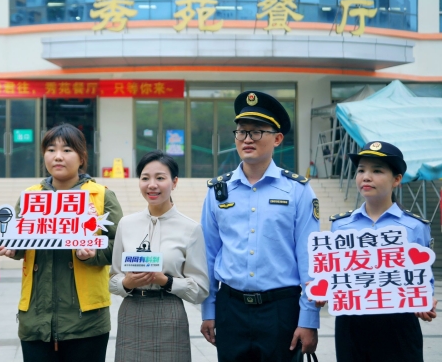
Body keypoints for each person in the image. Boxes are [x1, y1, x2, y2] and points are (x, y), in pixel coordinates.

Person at [200, 91, 320, 361]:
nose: (247, 139)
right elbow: (208, 254)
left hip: (281, 309)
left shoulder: (298, 190)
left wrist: (309, 318)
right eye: (241, 132)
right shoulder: (218, 191)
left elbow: (310, 259)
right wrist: (209, 310)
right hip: (231, 309)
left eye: (256, 132)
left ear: (277, 138)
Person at [0, 123, 123, 362]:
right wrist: (11, 248)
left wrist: (93, 253)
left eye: (67, 150)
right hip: (36, 318)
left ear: (82, 157)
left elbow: (119, 245)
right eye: (51, 149)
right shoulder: (30, 197)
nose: (58, 156)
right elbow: (18, 240)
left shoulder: (101, 195)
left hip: (86, 320)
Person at [329, 141, 436, 362]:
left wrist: (426, 300)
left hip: (399, 324)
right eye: (361, 170)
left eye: (377, 171)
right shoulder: (340, 226)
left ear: (397, 179)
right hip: (352, 325)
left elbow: (424, 277)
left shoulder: (415, 227)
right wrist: (322, 289)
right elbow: (334, 273)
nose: (366, 177)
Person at [110, 150, 210, 362]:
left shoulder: (191, 229)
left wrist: (166, 281)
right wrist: (126, 283)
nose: (152, 185)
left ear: (174, 182)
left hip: (169, 313)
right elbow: (113, 279)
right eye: (145, 178)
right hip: (131, 312)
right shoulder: (126, 224)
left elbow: (200, 290)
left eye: (160, 178)